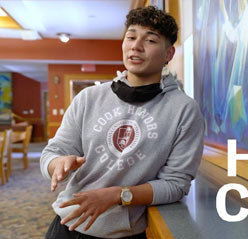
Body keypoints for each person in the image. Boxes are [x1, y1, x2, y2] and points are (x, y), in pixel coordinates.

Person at [40, 6, 205, 239]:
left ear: (168, 54)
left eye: (150, 40)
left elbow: (176, 184)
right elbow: (53, 152)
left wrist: (118, 195)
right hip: (68, 225)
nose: (136, 46)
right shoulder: (89, 98)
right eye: (131, 36)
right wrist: (57, 164)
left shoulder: (184, 110)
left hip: (125, 233)